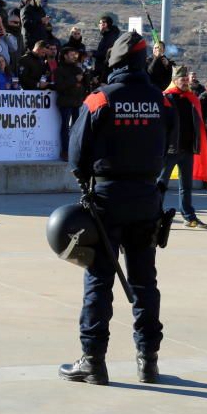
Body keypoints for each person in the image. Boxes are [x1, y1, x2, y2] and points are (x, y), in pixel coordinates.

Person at [63, 30, 174, 386]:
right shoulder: (162, 101)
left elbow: (76, 153)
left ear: (114, 63)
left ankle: (93, 362)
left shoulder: (99, 99)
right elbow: (172, 146)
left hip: (107, 201)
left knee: (99, 281)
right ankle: (149, 361)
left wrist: (86, 181)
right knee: (145, 283)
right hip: (146, 199)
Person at [158, 65, 207, 228]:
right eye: (183, 80)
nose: (186, 82)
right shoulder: (166, 98)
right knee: (161, 183)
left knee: (186, 186)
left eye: (187, 79)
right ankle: (154, 214)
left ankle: (189, 216)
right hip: (170, 149)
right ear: (174, 81)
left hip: (187, 149)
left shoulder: (191, 98)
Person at [54, 45, 87, 160]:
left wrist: (85, 79)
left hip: (77, 103)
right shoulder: (59, 70)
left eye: (75, 55)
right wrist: (74, 81)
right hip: (66, 103)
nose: (74, 57)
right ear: (65, 56)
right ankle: (65, 151)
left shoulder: (78, 69)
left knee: (78, 128)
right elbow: (60, 87)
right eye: (72, 55)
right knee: (65, 127)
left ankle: (76, 151)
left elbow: (83, 85)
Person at [93, 16, 121, 83]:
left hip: (105, 71)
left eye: (100, 23)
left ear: (105, 24)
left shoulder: (111, 37)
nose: (99, 25)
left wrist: (93, 54)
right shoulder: (107, 36)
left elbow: (106, 53)